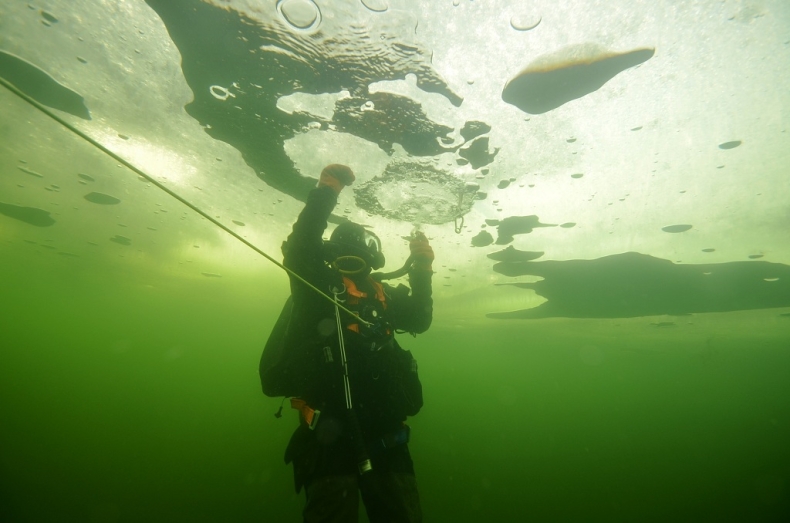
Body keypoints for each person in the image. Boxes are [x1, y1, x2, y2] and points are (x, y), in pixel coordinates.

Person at [280, 164, 434, 522]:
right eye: (342, 259)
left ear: (372, 262)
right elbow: (300, 250)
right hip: (326, 440)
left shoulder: (385, 297)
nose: (350, 267)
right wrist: (326, 191)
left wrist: (422, 270)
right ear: (329, 258)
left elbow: (420, 321)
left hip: (388, 439)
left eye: (358, 260)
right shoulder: (315, 291)